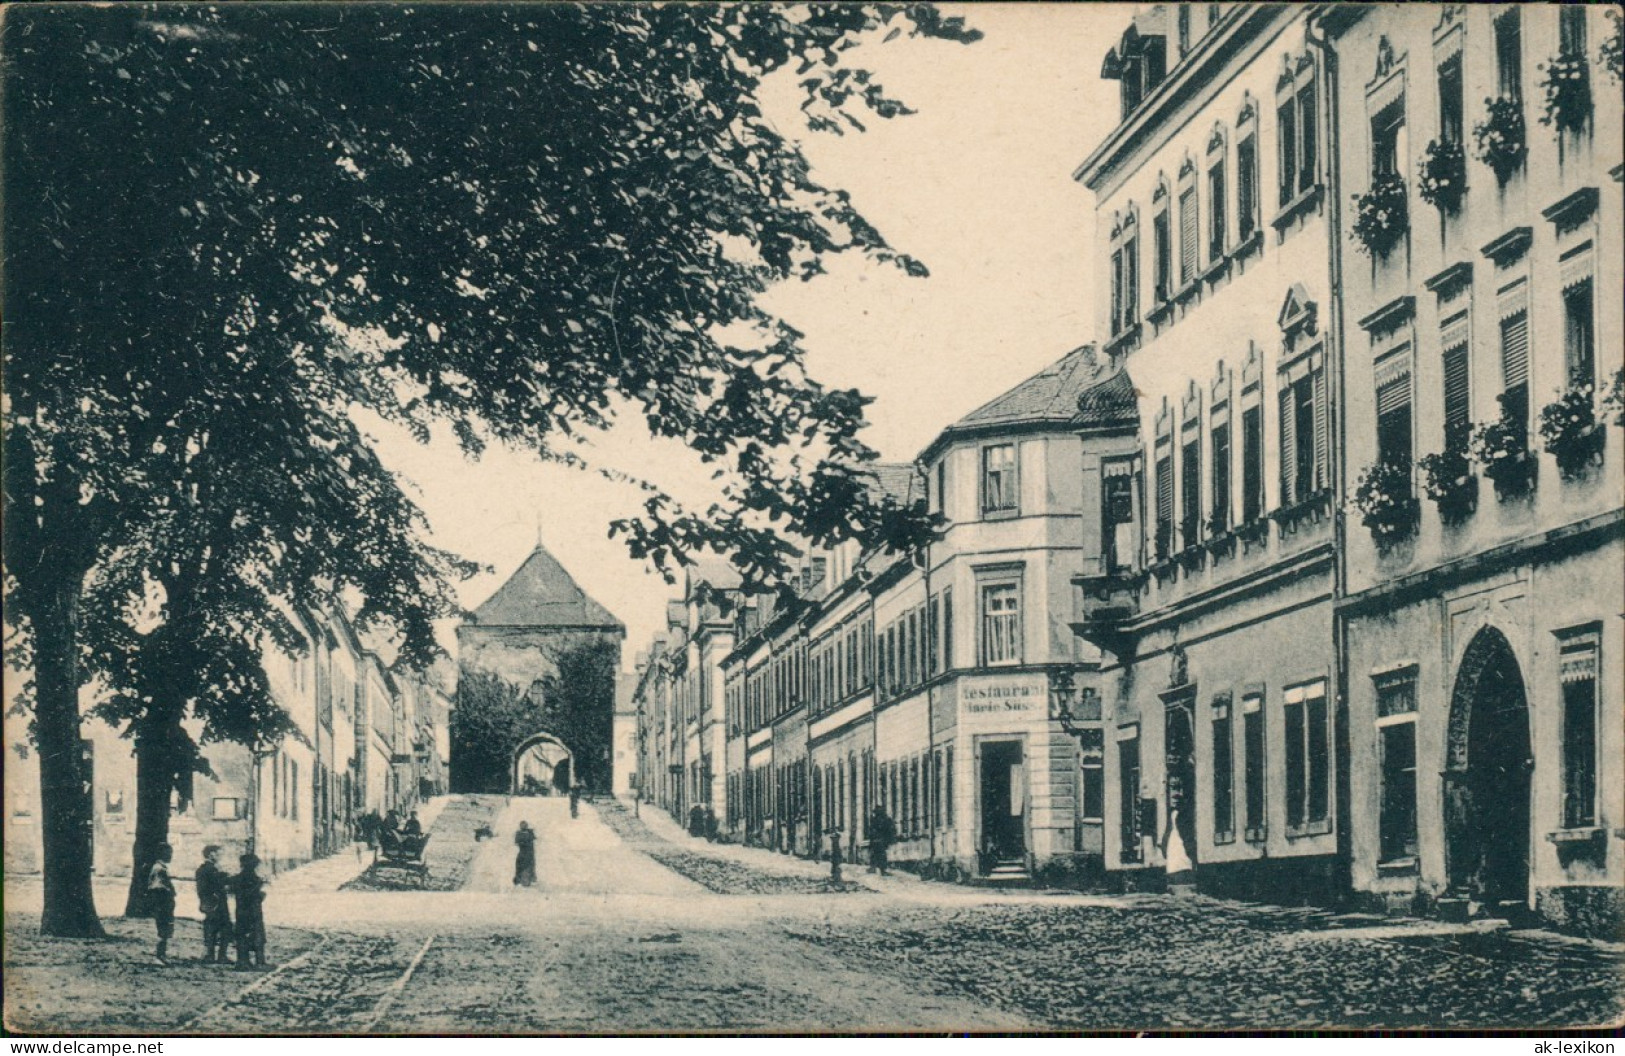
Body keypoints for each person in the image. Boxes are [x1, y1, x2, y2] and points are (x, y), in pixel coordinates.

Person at [195, 844, 233, 964]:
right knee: (224, 928)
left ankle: (210, 955)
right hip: (217, 903)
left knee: (211, 929)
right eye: (218, 853)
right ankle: (221, 956)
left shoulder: (202, 869)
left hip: (210, 903)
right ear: (211, 854)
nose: (220, 856)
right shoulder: (210, 870)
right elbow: (216, 884)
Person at [233, 853, 267, 970]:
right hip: (253, 911)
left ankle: (242, 961)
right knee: (257, 935)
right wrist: (261, 894)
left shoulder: (238, 878)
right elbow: (253, 896)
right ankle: (259, 962)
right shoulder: (255, 879)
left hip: (240, 911)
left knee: (241, 935)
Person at [146, 843, 177, 965]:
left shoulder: (162, 868)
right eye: (169, 853)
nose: (171, 856)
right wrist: (168, 891)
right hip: (162, 904)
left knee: (166, 929)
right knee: (163, 930)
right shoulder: (159, 869)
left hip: (165, 904)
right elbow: (157, 887)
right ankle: (159, 956)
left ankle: (162, 955)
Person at [868, 804, 895, 877]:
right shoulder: (884, 819)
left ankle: (876, 868)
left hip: (879, 841)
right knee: (880, 855)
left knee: (877, 855)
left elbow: (889, 830)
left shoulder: (877, 820)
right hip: (880, 841)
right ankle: (880, 870)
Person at [513, 820, 537, 887]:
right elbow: (517, 842)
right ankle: (521, 879)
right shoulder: (520, 833)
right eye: (522, 825)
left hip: (528, 852)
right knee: (521, 865)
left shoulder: (529, 832)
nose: (523, 827)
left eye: (524, 825)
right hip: (523, 852)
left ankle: (528, 879)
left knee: (528, 866)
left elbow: (534, 839)